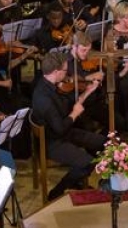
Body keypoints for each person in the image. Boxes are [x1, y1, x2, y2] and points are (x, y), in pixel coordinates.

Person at [29, 51, 105, 201]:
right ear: (56, 72)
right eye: (65, 70)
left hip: (64, 132)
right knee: (87, 163)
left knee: (103, 142)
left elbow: (70, 107)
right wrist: (75, 114)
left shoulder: (52, 85)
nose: (67, 74)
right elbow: (60, 128)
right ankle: (57, 192)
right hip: (52, 142)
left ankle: (77, 177)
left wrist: (87, 92)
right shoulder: (44, 99)